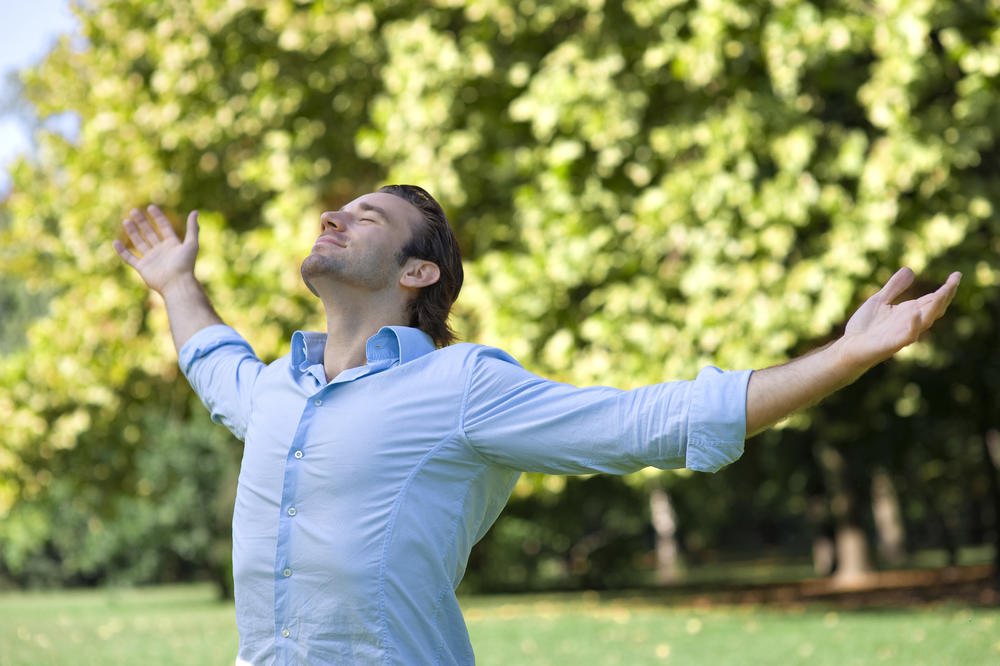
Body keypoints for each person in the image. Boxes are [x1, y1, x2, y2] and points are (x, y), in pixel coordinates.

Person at [113, 184, 960, 665]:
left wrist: (845, 357)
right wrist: (176, 284)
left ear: (418, 270)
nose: (333, 216)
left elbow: (646, 424)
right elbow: (214, 362)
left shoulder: (462, 385)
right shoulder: (277, 392)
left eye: (366, 216)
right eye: (338, 208)